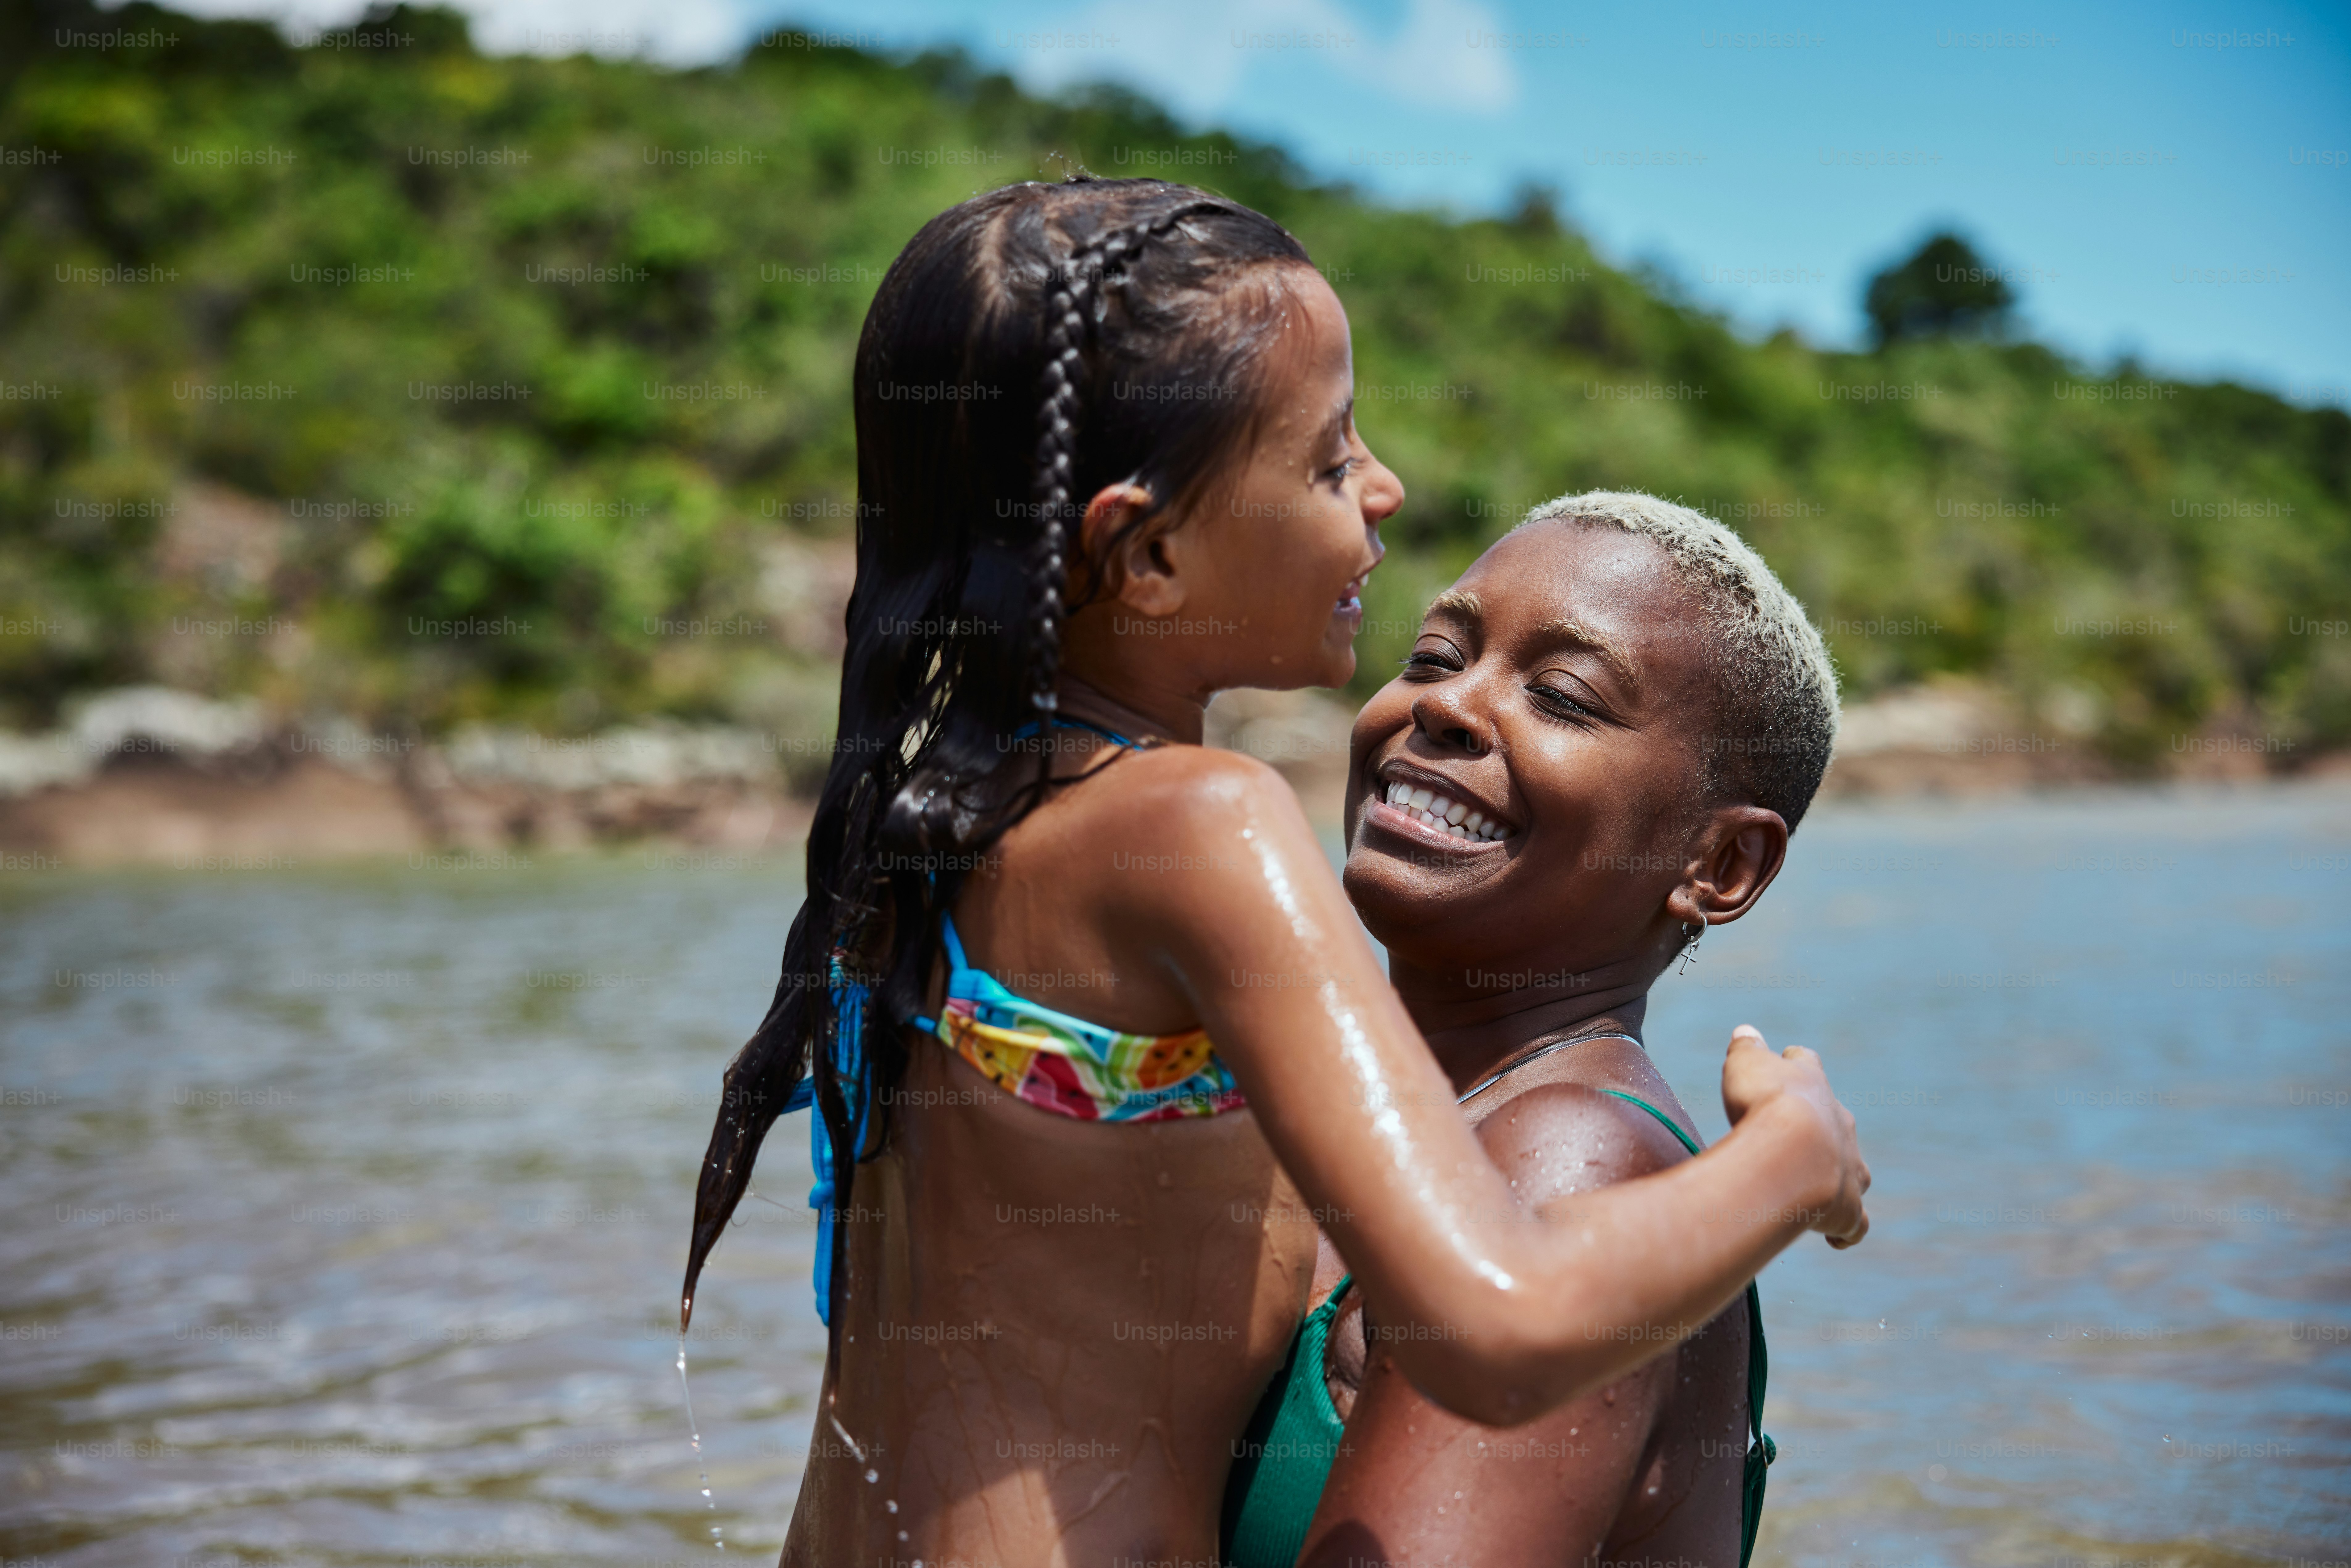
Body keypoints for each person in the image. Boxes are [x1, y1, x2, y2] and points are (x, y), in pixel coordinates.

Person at [679, 177, 1871, 1567]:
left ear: (1722, 865)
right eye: (1327, 459)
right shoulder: (1204, 822)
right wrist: (1792, 1157)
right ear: (1158, 550)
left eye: (1565, 692)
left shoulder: (940, 813)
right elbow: (1501, 1322)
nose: (1385, 486)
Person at [1223, 492, 1838, 1568]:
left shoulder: (1575, 1164)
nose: (1448, 704)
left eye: (1561, 696)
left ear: (1719, 865)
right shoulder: (1307, 1122)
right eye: (1429, 656)